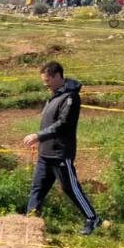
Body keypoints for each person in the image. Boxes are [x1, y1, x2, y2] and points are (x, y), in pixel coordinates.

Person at [23, 61, 101, 235]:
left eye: (47, 80)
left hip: (60, 153)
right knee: (38, 188)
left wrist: (38, 136)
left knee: (70, 188)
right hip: (46, 152)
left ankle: (93, 218)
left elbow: (63, 124)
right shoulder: (55, 94)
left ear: (58, 76)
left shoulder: (70, 97)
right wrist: (41, 140)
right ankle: (30, 222)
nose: (45, 84)